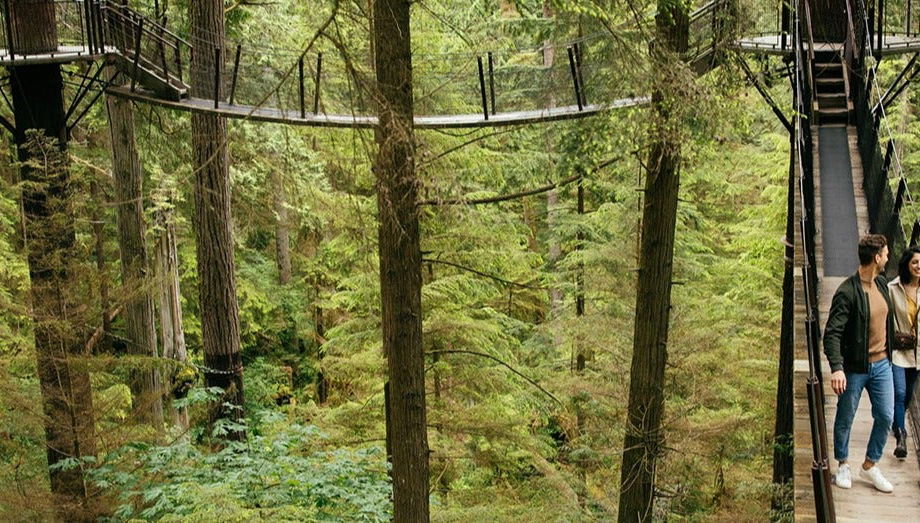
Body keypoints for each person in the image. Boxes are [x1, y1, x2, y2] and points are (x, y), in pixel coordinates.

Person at [824, 234, 895, 493]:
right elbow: (832, 333)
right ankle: (843, 463)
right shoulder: (846, 291)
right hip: (854, 368)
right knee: (846, 416)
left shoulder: (883, 285)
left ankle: (870, 464)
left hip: (883, 364)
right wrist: (837, 368)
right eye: (886, 254)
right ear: (876, 258)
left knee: (886, 415)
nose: (888, 257)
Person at [887, 247, 920, 460]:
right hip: (899, 349)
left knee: (907, 395)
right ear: (907, 264)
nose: (919, 266)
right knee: (899, 392)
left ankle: (895, 422)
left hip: (918, 353)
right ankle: (901, 435)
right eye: (915, 262)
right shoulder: (893, 288)